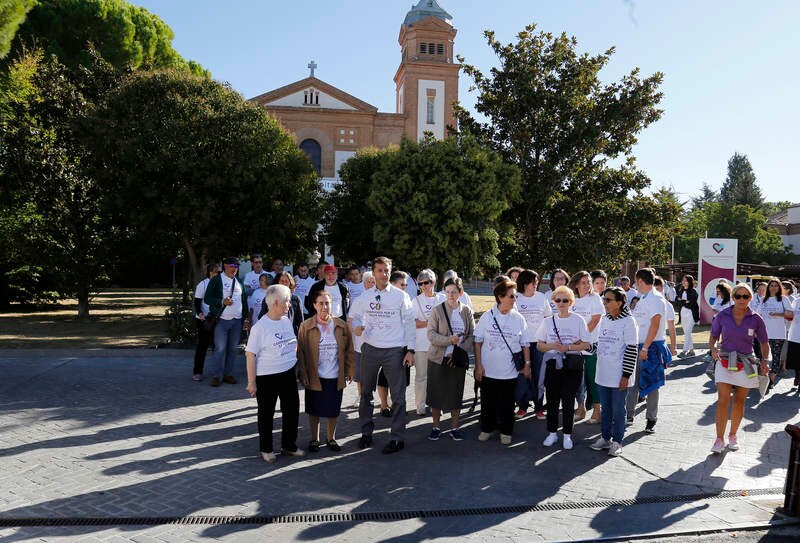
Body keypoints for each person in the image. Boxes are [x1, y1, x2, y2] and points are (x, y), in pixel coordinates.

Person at [351, 256, 416, 454]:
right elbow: (353, 316)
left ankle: (397, 438)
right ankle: (366, 433)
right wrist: (357, 328)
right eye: (380, 270)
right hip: (370, 348)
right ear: (373, 272)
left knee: (398, 397)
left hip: (394, 350)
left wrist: (410, 350)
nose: (384, 274)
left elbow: (410, 323)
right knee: (365, 394)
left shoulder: (400, 296)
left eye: (387, 270)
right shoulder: (365, 296)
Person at [708, 283, 770, 453]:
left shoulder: (756, 318)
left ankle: (733, 435)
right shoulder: (723, 315)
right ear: (733, 297)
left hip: (747, 363)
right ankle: (719, 439)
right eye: (738, 296)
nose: (742, 300)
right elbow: (713, 335)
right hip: (725, 360)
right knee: (722, 401)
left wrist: (765, 360)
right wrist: (713, 348)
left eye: (745, 296)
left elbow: (764, 342)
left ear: (750, 298)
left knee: (739, 401)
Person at [244, 284, 303, 463]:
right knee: (266, 413)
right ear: (276, 303)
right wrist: (251, 382)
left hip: (288, 374)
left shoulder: (285, 320)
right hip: (267, 377)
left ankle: (289, 446)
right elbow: (250, 355)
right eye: (286, 301)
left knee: (292, 410)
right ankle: (267, 449)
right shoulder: (260, 327)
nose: (289, 304)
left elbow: (292, 343)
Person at [474, 278, 531, 446]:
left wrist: (527, 365)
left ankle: (506, 431)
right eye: (511, 296)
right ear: (500, 297)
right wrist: (478, 365)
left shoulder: (519, 318)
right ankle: (487, 428)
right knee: (488, 402)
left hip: (510, 371)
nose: (515, 300)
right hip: (488, 370)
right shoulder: (487, 316)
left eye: (515, 297)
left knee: (507, 404)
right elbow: (478, 341)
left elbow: (525, 344)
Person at [297, 290, 355, 453]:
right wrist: (303, 373)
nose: (324, 307)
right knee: (313, 410)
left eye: (327, 303)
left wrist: (350, 369)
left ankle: (331, 438)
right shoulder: (306, 326)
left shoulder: (341, 325)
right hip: (315, 375)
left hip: (335, 375)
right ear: (315, 305)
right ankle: (314, 439)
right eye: (321, 303)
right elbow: (300, 352)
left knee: (333, 410)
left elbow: (349, 349)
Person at [536, 285, 591, 449]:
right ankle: (552, 433)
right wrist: (552, 345)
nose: (561, 303)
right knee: (552, 401)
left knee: (568, 402)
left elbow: (586, 344)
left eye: (565, 300)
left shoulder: (578, 320)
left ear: (571, 302)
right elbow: (539, 345)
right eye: (558, 300)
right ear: (553, 301)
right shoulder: (547, 321)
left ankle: (567, 435)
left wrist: (567, 348)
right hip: (553, 364)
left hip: (572, 365)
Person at [426, 277, 475, 441]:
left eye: (454, 292)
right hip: (438, 358)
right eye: (447, 292)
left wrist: (459, 350)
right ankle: (436, 427)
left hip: (457, 359)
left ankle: (455, 427)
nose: (451, 295)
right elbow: (431, 334)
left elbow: (471, 335)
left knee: (456, 394)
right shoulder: (437, 310)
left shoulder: (466, 310)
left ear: (460, 293)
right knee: (436, 395)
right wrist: (449, 341)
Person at [591, 286, 638, 457]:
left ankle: (617, 441)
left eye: (608, 300)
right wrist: (584, 346)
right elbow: (599, 344)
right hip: (603, 372)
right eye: (604, 299)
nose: (604, 303)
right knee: (606, 409)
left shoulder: (629, 321)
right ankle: (605, 438)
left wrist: (625, 376)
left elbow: (632, 349)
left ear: (619, 303)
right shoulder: (604, 319)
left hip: (619, 375)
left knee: (619, 409)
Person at [625, 268, 667, 433]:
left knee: (651, 383)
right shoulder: (643, 298)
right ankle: (629, 414)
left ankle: (651, 419)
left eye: (636, 281)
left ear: (640, 281)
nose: (635, 284)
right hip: (638, 345)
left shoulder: (656, 299)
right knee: (633, 381)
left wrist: (646, 347)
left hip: (650, 347)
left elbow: (655, 325)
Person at [204, 257, 250, 387]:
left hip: (237, 321)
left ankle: (228, 374)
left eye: (236, 265)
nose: (234, 268)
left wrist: (245, 318)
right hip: (221, 321)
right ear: (225, 266)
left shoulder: (239, 281)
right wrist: (221, 302)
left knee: (233, 350)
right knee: (220, 349)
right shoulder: (217, 280)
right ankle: (216, 376)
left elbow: (244, 302)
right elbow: (207, 298)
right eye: (231, 265)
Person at [513, 270, 551, 420]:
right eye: (532, 282)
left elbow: (549, 320)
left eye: (536, 282)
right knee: (523, 375)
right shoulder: (516, 298)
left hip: (539, 344)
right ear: (524, 283)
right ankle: (522, 407)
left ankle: (539, 407)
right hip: (521, 344)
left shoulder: (542, 298)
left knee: (538, 377)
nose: (535, 285)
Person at [568, 271, 604, 424]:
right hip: (575, 347)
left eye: (588, 281)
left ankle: (597, 411)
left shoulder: (594, 298)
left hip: (591, 345)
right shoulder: (572, 299)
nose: (587, 285)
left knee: (593, 379)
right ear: (576, 284)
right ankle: (580, 408)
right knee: (577, 380)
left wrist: (581, 338)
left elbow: (595, 320)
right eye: (583, 282)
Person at [412, 269, 445, 416]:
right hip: (421, 344)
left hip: (439, 344)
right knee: (421, 376)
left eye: (427, 282)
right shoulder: (416, 300)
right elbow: (412, 323)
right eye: (421, 283)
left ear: (433, 282)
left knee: (438, 376)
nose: (424, 286)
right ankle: (420, 405)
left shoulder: (442, 299)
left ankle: (437, 405)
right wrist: (429, 323)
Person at [758, 279, 793, 391]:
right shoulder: (764, 300)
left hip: (778, 334)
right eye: (771, 285)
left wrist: (778, 314)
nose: (773, 287)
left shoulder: (783, 299)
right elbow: (757, 315)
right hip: (764, 334)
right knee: (763, 357)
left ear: (779, 287)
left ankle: (771, 380)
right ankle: (763, 378)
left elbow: (790, 315)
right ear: (768, 287)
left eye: (776, 285)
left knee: (775, 357)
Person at [349, 271, 376, 407]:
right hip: (361, 342)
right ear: (364, 284)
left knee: (377, 373)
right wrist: (357, 328)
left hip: (377, 343)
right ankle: (360, 396)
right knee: (360, 374)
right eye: (369, 281)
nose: (371, 284)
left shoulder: (381, 299)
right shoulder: (358, 299)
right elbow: (351, 320)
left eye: (373, 281)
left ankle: (384, 398)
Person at [192, 263, 221, 381]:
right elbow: (197, 302)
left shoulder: (221, 284)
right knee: (202, 346)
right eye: (217, 272)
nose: (219, 274)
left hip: (218, 319)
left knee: (218, 347)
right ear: (210, 272)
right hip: (204, 320)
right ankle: (197, 371)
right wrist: (200, 314)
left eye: (220, 272)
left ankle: (217, 372)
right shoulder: (203, 284)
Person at [654, 277, 678, 359]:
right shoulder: (642, 302)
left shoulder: (667, 305)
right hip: (641, 343)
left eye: (657, 288)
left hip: (658, 343)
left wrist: (673, 346)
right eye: (653, 289)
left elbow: (671, 327)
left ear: (663, 288)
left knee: (656, 370)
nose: (655, 291)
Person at [676, 275, 700, 357]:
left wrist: (683, 301)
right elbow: (677, 301)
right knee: (687, 333)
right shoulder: (680, 290)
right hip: (683, 312)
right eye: (683, 280)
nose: (683, 282)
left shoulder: (694, 291)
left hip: (691, 313)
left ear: (689, 282)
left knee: (688, 332)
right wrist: (684, 301)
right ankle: (692, 351)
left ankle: (684, 351)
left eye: (685, 280)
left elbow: (691, 303)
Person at [786, 292, 800, 387]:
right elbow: (789, 316)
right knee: (795, 361)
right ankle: (797, 375)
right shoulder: (797, 301)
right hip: (795, 335)